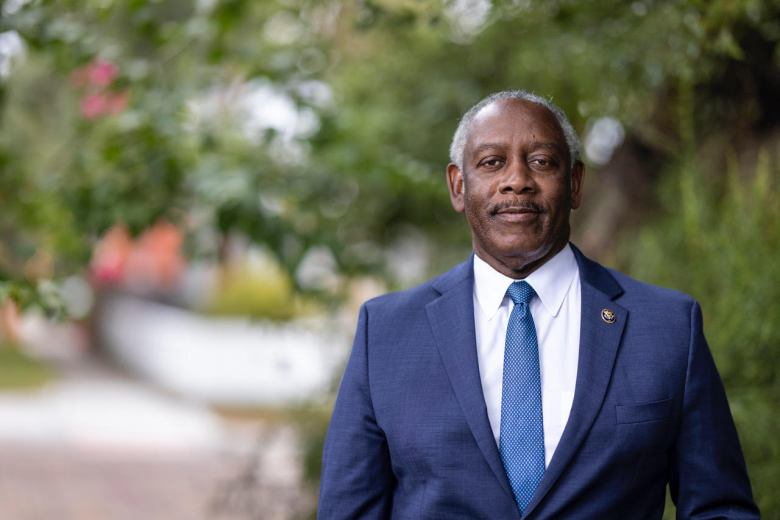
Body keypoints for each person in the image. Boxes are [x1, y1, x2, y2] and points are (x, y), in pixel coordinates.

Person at [317, 90, 759, 519]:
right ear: (458, 186)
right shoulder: (387, 332)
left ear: (575, 184)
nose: (517, 180)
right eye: (492, 162)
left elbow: (719, 508)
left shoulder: (667, 328)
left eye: (542, 161)